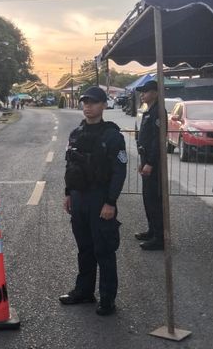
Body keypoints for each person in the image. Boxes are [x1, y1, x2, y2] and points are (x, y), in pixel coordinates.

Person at [60, 86, 127, 316]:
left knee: (104, 250)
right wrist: (68, 193)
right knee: (85, 248)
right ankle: (84, 291)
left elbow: (119, 172)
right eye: (85, 102)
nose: (88, 106)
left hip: (100, 199)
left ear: (104, 105)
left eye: (93, 102)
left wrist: (110, 202)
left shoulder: (113, 136)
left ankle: (107, 299)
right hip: (79, 198)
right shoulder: (76, 134)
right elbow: (71, 166)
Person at [134, 80, 165, 251]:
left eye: (145, 91)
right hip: (146, 160)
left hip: (154, 163)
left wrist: (151, 163)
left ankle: (159, 237)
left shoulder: (159, 112)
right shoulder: (149, 111)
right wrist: (143, 162)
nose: (142, 95)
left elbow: (157, 141)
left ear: (154, 93)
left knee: (154, 199)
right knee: (148, 199)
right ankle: (152, 230)